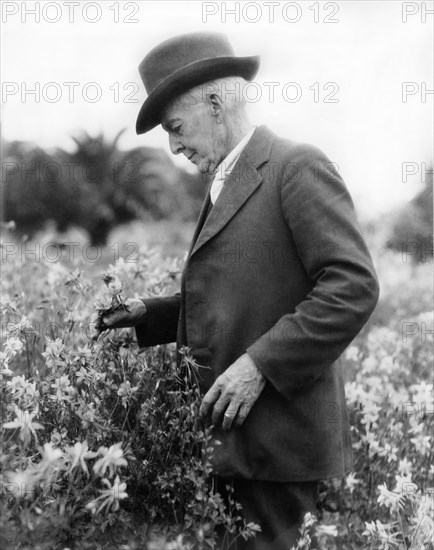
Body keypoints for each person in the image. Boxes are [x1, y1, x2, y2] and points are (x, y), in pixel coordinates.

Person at [95, 32, 380, 549]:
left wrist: (259, 365)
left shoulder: (296, 166)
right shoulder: (225, 181)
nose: (174, 146)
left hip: (278, 449)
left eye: (175, 128)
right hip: (232, 445)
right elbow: (242, 294)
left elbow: (352, 285)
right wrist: (151, 313)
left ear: (215, 102)